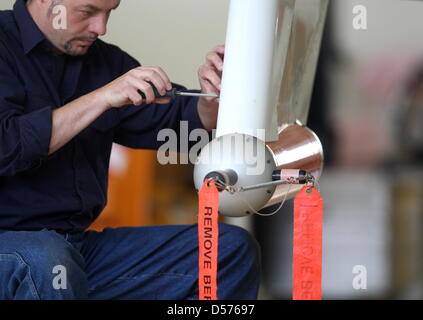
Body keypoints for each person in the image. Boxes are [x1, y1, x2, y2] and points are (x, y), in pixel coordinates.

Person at [0, 0, 260, 300]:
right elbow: (7, 145)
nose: (101, 27)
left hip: (74, 248)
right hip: (16, 249)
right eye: (88, 12)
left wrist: (209, 104)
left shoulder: (106, 63)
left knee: (227, 250)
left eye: (109, 12)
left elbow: (173, 126)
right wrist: (102, 98)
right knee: (46, 261)